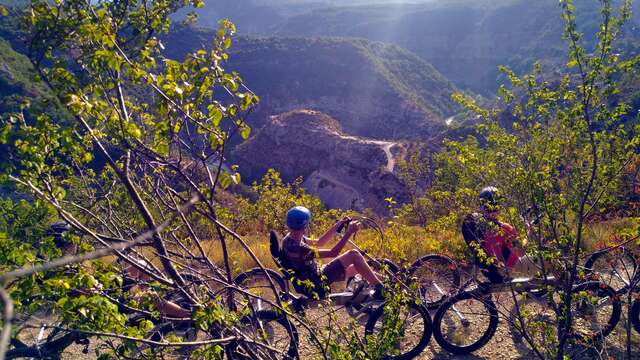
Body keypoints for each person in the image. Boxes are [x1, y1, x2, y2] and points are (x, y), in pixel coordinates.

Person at [279, 206, 384, 299]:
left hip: (313, 276)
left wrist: (338, 224)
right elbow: (333, 253)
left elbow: (320, 242)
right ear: (305, 226)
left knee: (356, 267)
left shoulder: (290, 238)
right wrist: (349, 233)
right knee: (354, 254)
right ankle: (382, 290)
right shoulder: (300, 248)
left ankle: (387, 282)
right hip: (317, 282)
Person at [461, 187, 538, 283]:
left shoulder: (477, 227)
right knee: (549, 259)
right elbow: (521, 252)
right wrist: (530, 232)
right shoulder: (504, 228)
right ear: (499, 206)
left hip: (492, 273)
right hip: (512, 270)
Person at [123, 259, 192, 318]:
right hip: (121, 299)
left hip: (122, 297)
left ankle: (186, 314)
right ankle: (186, 314)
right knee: (151, 296)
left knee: (142, 264)